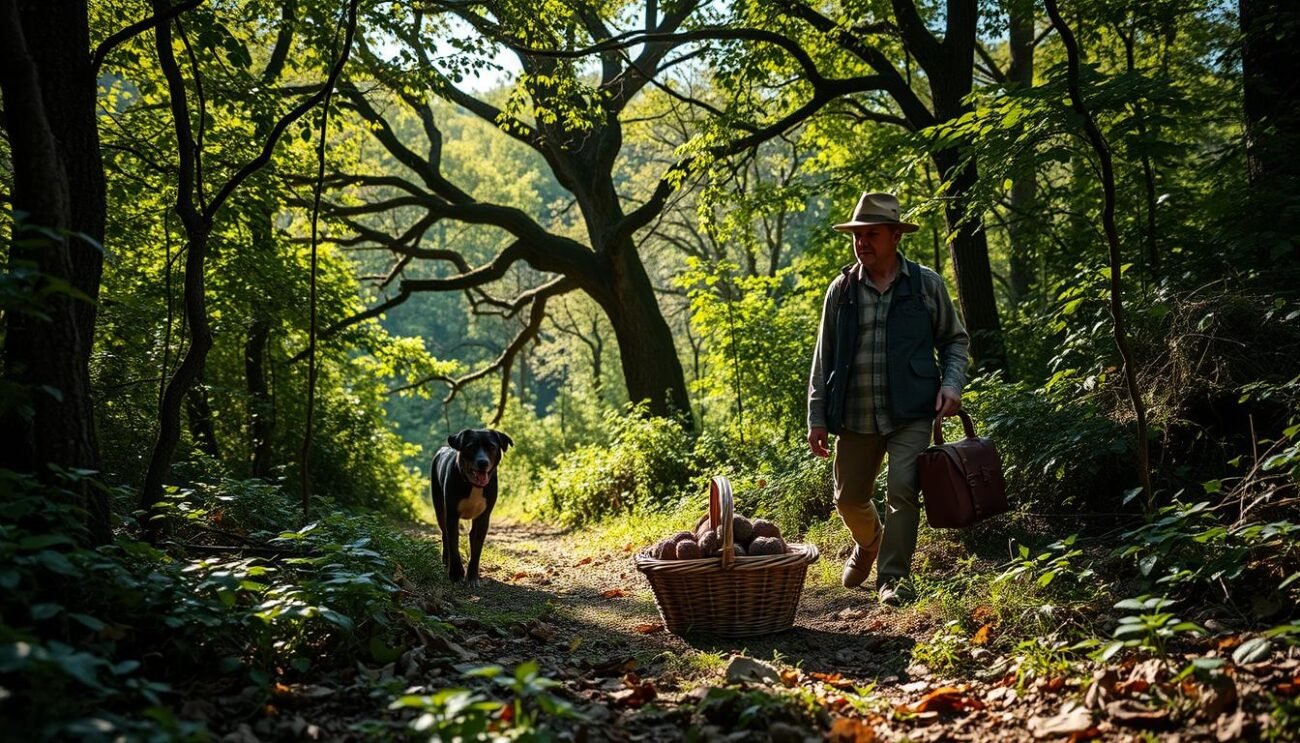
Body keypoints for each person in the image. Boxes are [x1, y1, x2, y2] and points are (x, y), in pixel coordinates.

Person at [806, 192, 970, 606]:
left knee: (902, 490)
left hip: (911, 411)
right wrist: (817, 416)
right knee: (848, 499)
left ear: (895, 236)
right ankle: (870, 542)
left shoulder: (925, 285)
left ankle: (892, 580)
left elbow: (955, 340)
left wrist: (952, 384)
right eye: (857, 236)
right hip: (855, 413)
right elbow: (823, 356)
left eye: (872, 235)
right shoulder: (841, 290)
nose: (862, 243)